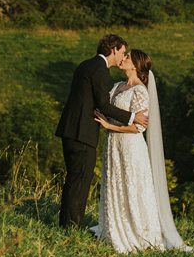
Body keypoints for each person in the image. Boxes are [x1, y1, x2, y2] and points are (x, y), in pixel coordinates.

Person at [92, 49, 194, 257]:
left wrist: (109, 126)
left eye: (128, 57)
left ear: (136, 66)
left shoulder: (140, 92)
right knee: (115, 185)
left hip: (130, 147)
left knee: (131, 187)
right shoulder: (117, 86)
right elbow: (109, 108)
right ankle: (113, 227)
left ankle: (137, 233)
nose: (124, 58)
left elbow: (138, 127)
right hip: (113, 145)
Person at [55, 34, 149, 229]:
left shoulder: (86, 64)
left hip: (70, 129)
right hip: (83, 133)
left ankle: (67, 223)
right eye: (123, 52)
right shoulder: (100, 70)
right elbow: (104, 105)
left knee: (74, 178)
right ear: (113, 49)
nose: (123, 57)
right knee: (80, 180)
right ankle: (71, 226)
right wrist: (132, 117)